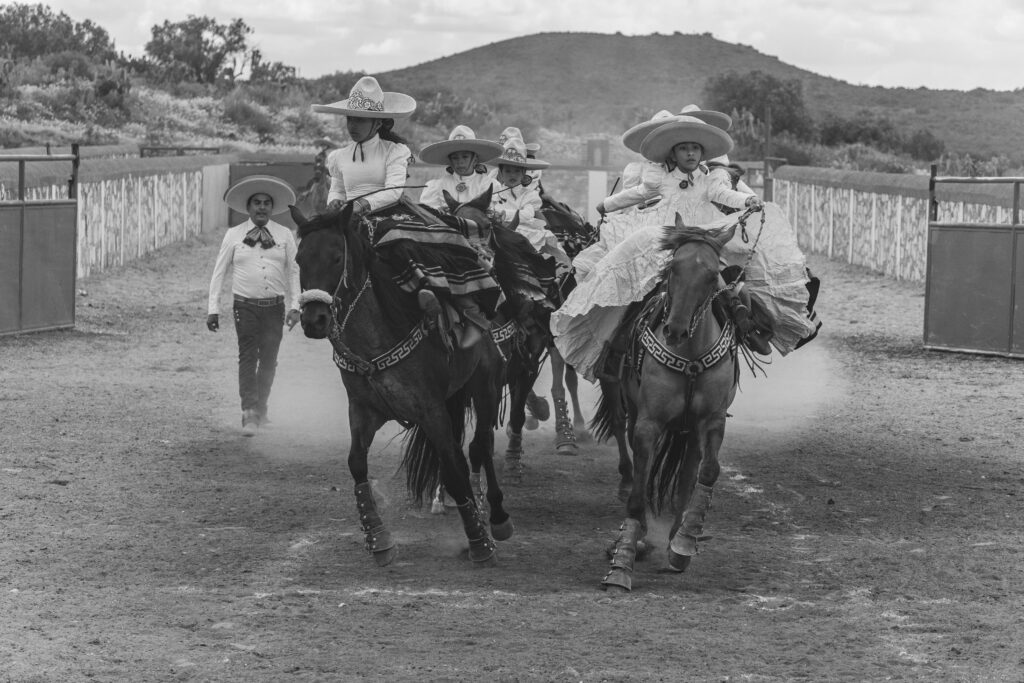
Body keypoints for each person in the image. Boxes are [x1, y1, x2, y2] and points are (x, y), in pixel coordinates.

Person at [552, 115, 817, 381]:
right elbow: (639, 193)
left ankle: (747, 330)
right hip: (667, 239)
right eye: (683, 148)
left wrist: (747, 200)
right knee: (637, 288)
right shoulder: (659, 178)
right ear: (673, 153)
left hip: (705, 237)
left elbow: (724, 195)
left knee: (732, 283)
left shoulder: (711, 177)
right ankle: (618, 344)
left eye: (695, 148)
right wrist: (607, 205)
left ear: (703, 152)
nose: (690, 153)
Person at [313, 76, 502, 349]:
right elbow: (338, 189)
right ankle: (319, 305)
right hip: (348, 218)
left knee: (408, 244)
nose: (353, 125)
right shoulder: (339, 156)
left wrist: (362, 206)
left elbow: (392, 190)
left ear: (377, 123)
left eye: (360, 120)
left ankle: (453, 305)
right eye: (350, 119)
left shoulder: (396, 151)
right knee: (316, 248)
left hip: (389, 213)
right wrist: (334, 202)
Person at [206, 175, 301, 436]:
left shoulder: (284, 235)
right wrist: (212, 309)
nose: (261, 207)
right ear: (248, 208)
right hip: (244, 306)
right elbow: (219, 272)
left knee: (269, 360)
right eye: (256, 203)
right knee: (248, 357)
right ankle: (248, 411)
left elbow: (294, 272)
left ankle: (262, 409)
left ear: (272, 208)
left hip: (275, 307)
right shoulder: (234, 235)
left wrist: (296, 305)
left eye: (266, 203)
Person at [418, 124, 503, 210]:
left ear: (475, 159)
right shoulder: (437, 186)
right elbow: (428, 215)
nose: (460, 162)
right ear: (450, 161)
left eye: (465, 157)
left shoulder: (487, 185)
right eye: (455, 158)